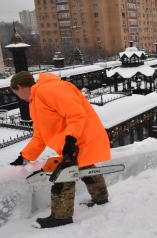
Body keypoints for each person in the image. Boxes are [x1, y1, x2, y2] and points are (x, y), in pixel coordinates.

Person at [9, 71, 111, 228]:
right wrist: (25, 156)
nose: (19, 97)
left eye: (16, 93)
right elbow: (40, 135)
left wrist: (70, 140)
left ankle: (61, 216)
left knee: (63, 176)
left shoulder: (49, 89)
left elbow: (76, 113)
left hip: (79, 139)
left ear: (20, 86)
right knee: (85, 167)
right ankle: (100, 198)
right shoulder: (35, 101)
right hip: (75, 141)